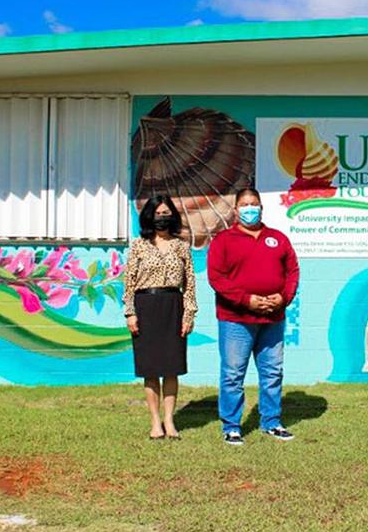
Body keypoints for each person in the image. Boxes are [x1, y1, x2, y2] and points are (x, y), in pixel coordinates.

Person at [207, 188, 300, 446]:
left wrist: (283, 298)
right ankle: (232, 426)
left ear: (261, 208)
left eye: (254, 204)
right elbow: (217, 278)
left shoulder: (278, 239)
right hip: (236, 320)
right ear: (236, 210)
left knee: (272, 372)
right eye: (245, 205)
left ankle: (271, 422)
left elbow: (292, 271)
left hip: (273, 319)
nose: (250, 209)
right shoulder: (223, 240)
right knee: (233, 374)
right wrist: (246, 300)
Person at [123, 195, 197, 440]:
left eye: (166, 213)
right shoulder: (138, 245)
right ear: (149, 217)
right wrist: (130, 312)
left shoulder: (182, 246)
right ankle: (155, 422)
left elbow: (190, 284)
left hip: (173, 307)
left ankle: (169, 421)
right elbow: (129, 281)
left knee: (172, 368)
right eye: (158, 214)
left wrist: (189, 314)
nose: (162, 218)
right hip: (145, 307)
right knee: (150, 369)